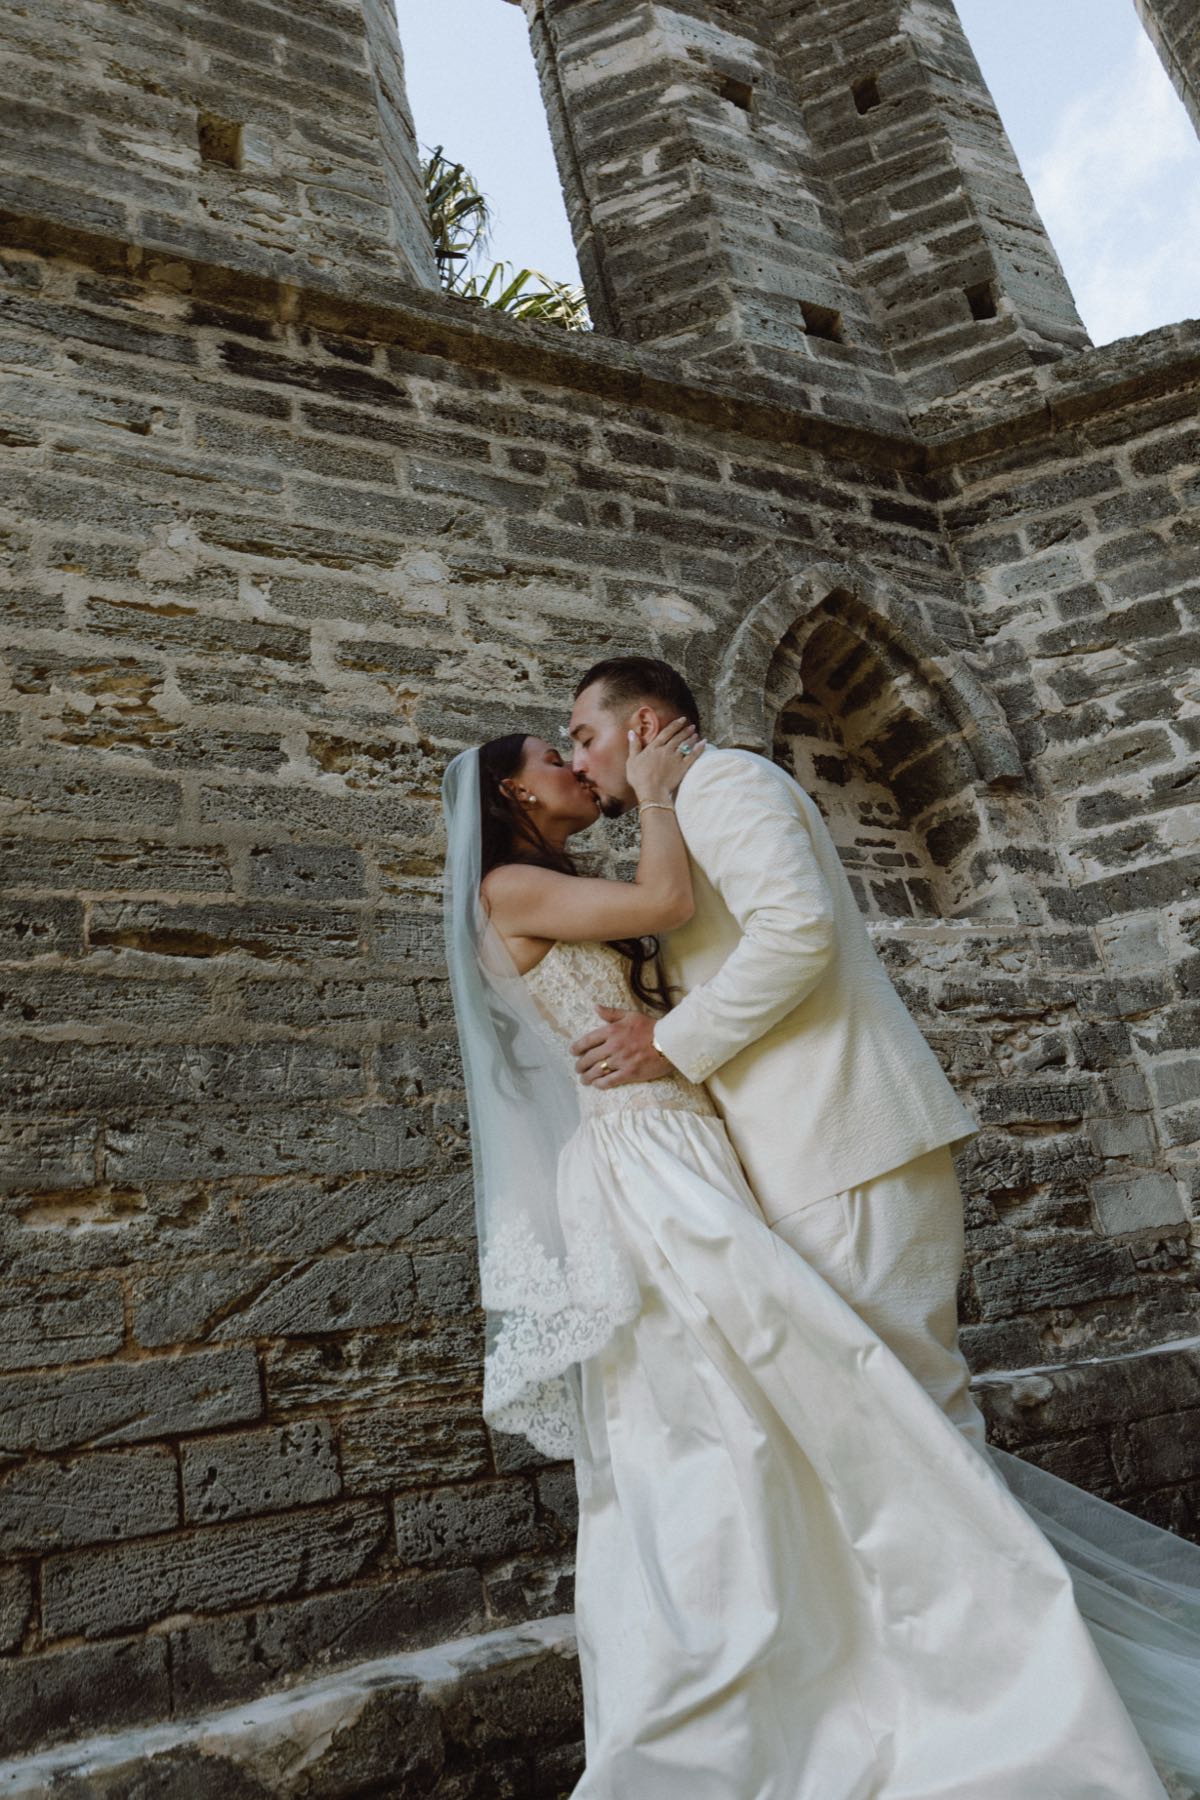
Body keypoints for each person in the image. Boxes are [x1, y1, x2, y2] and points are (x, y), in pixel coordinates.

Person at [440, 720, 1199, 1799]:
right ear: (512, 796)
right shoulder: (509, 890)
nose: (576, 767)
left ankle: (868, 1656)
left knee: (781, 1399)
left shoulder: (549, 881)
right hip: (643, 1159)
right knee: (724, 1411)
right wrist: (656, 791)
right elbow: (666, 906)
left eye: (584, 748)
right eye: (554, 761)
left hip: (686, 1142)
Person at [565, 655, 986, 1451]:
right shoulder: (683, 811)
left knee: (916, 1413)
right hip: (808, 1152)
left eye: (586, 737)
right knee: (876, 1424)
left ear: (644, 725)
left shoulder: (725, 786)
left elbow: (797, 931)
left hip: (847, 1142)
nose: (580, 762)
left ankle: (1012, 1580)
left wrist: (668, 1041)